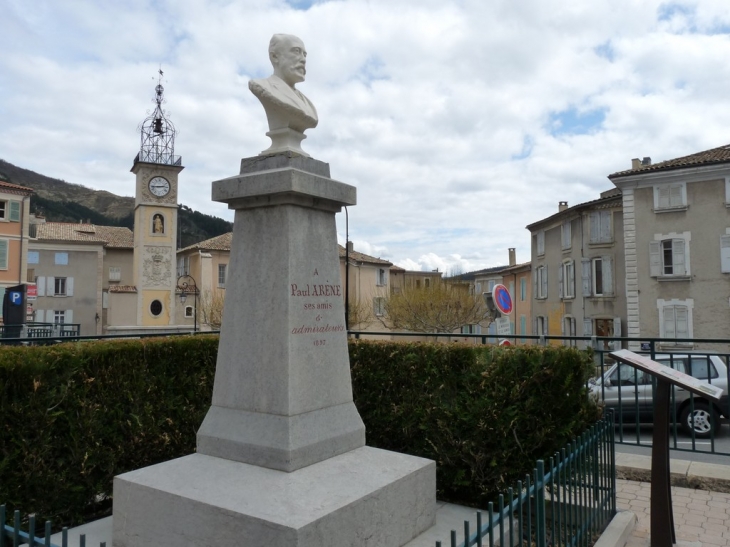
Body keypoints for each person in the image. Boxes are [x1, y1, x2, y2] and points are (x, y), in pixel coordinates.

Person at [249, 34, 318, 155]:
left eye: (304, 54)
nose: (303, 59)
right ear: (275, 56)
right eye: (296, 51)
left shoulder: (308, 104)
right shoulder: (263, 86)